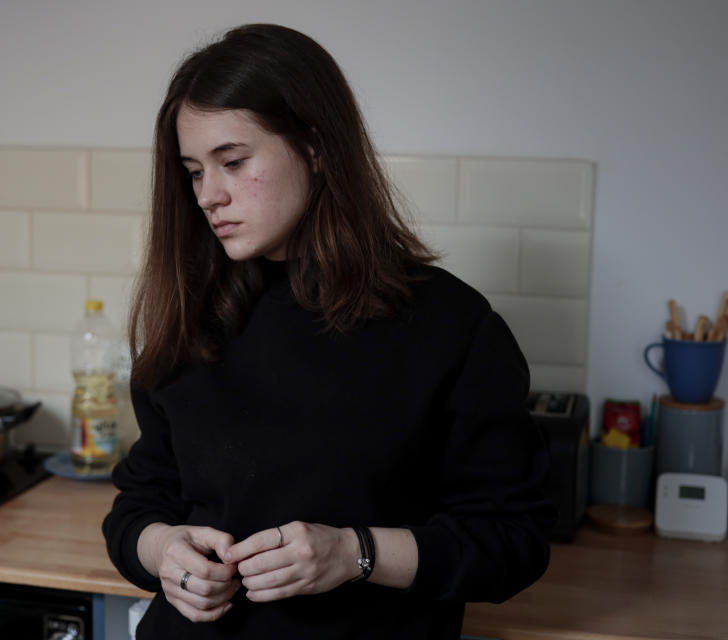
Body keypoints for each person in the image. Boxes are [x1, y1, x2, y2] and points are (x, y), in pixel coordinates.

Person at [102, 23, 555, 639]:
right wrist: (162, 551)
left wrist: (353, 553)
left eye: (233, 162)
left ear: (315, 147)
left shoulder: (450, 325)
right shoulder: (192, 314)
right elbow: (138, 505)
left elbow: (513, 542)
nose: (209, 195)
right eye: (194, 172)